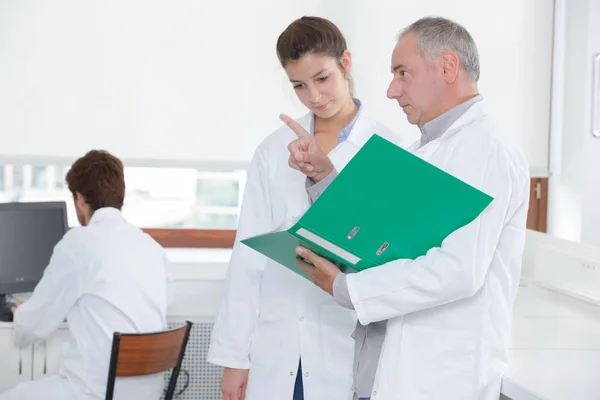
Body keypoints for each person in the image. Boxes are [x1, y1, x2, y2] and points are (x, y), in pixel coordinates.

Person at [283, 16, 530, 400]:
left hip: (437, 375)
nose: (391, 90)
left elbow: (458, 270)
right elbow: (374, 236)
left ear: (447, 67)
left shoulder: (486, 148)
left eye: (403, 73)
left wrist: (346, 288)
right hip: (385, 369)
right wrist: (325, 175)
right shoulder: (420, 150)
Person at [207, 16, 399, 400]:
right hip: (275, 348)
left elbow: (385, 256)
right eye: (299, 85)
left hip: (344, 346)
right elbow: (247, 261)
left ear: (346, 62)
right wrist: (235, 358)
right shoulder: (273, 149)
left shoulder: (386, 149)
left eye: (322, 78)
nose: (313, 95)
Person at [0, 150, 172, 400]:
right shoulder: (151, 246)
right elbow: (160, 303)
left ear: (80, 198)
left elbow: (35, 326)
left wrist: (20, 313)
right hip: (150, 392)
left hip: (95, 393)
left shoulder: (79, 242)